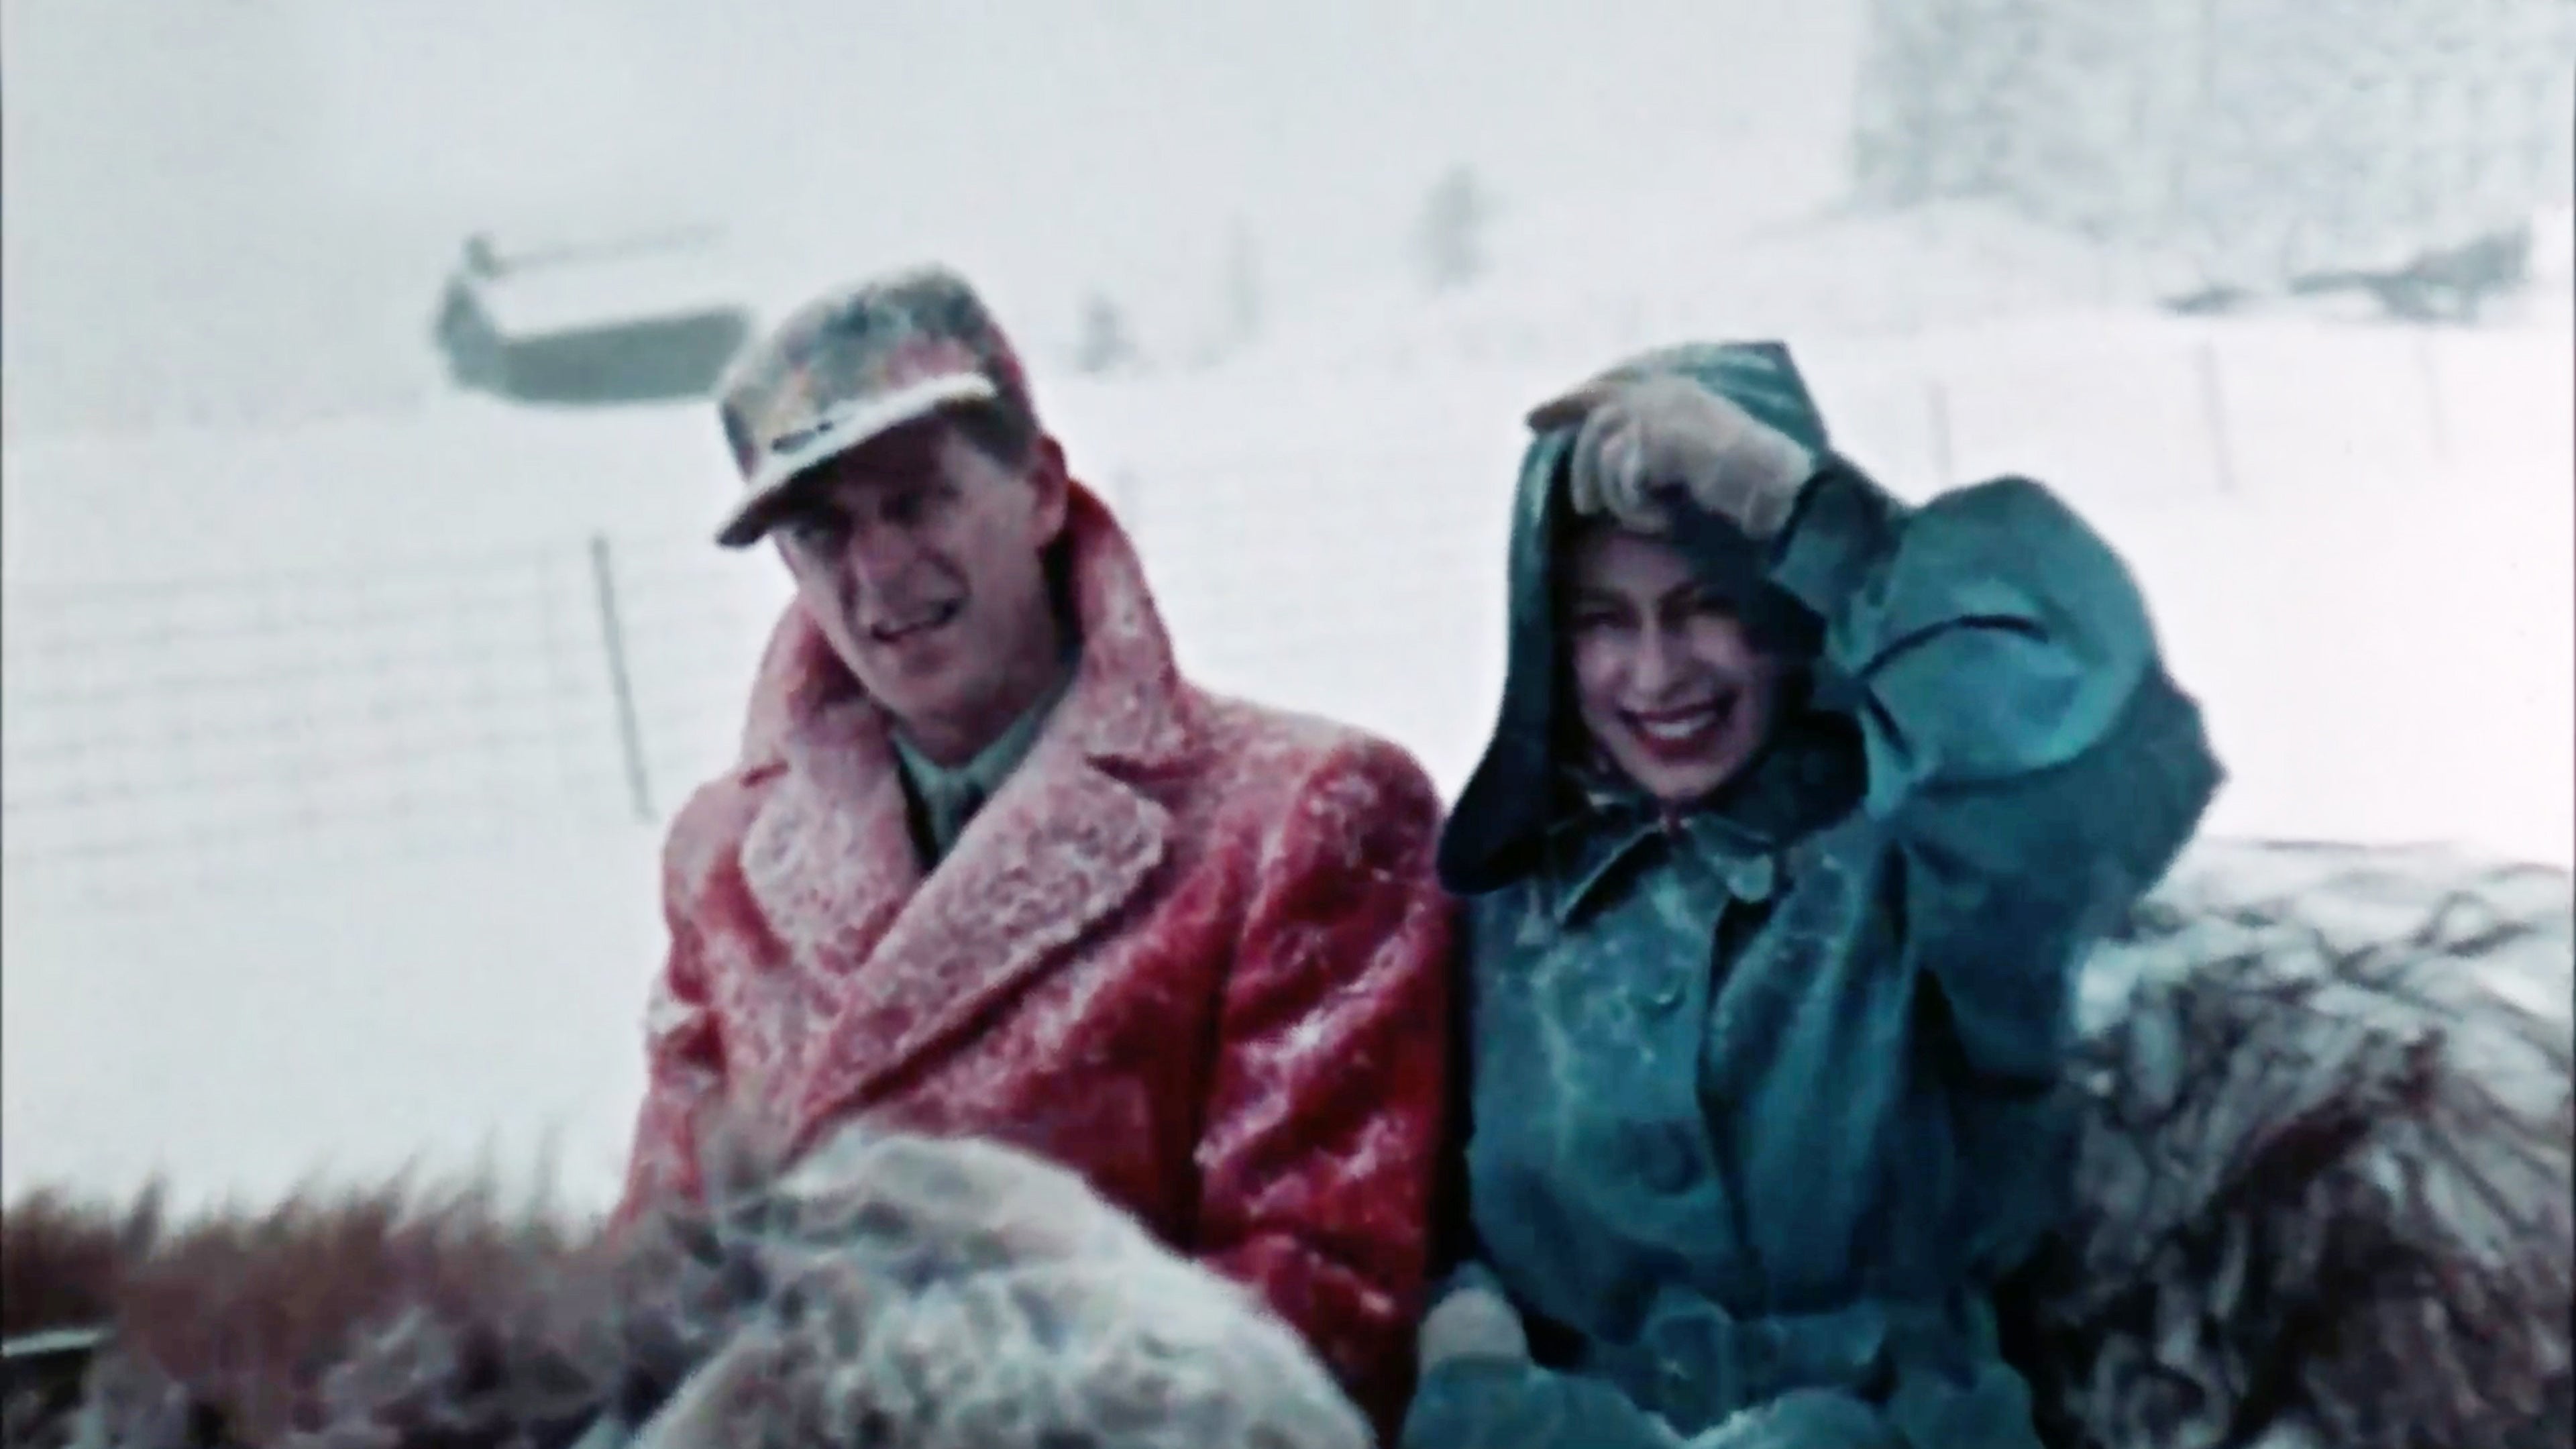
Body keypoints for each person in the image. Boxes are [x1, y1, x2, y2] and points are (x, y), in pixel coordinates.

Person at [612, 266, 1454, 1434]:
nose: (880, 572)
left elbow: (1315, 1315)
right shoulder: (724, 864)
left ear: (1042, 489)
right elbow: (659, 1286)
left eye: (918, 501)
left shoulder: (1303, 818)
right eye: (822, 532)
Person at [1402, 341, 2222, 1448]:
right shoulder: (1505, 908)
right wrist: (1473, 1368)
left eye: (1708, 607)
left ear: (1792, 619)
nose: (1655, 675)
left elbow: (2049, 683)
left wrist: (1814, 520)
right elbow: (1439, 1222)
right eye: (1604, 620)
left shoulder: (1929, 852)